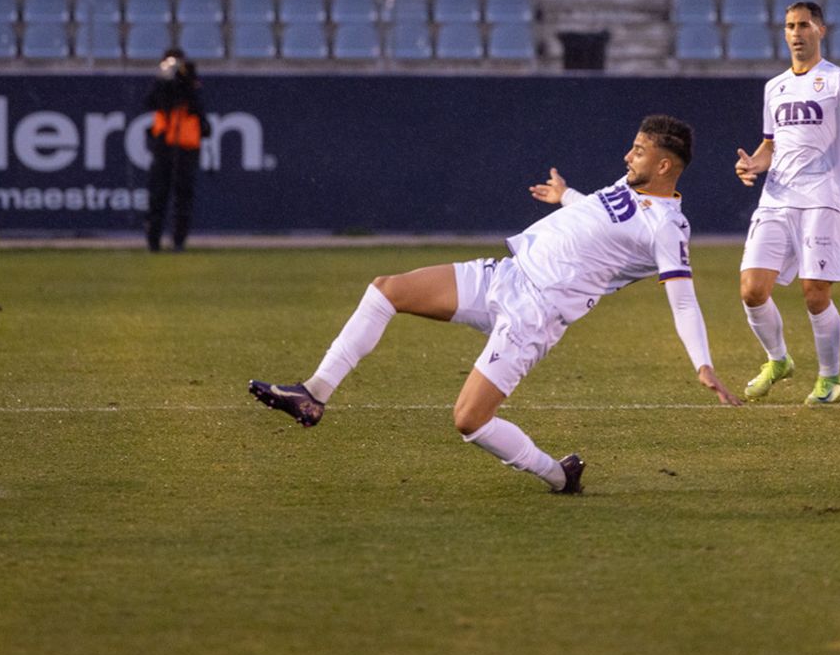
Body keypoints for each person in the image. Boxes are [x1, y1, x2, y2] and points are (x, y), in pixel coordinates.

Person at [249, 116, 743, 493]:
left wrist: (702, 363)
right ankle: (312, 393)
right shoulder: (631, 190)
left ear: (663, 165)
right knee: (388, 288)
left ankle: (558, 475)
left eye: (637, 152)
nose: (626, 157)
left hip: (536, 314)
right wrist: (566, 194)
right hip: (506, 276)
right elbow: (598, 216)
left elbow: (683, 300)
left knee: (468, 420)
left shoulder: (668, 227)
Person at [733, 1, 840, 406]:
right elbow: (770, 144)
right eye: (789, 26)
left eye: (804, 25)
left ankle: (829, 378)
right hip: (776, 199)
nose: (797, 33)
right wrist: (753, 163)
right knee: (751, 290)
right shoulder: (774, 87)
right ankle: (778, 360)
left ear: (820, 30)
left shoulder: (838, 81)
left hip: (822, 198)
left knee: (815, 293)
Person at [144, 49, 210, 253]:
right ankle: (153, 241)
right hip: (164, 146)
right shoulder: (161, 82)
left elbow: (196, 105)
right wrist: (164, 80)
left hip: (186, 147)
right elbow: (152, 102)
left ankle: (178, 241)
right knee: (158, 194)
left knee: (183, 195)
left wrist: (184, 78)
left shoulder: (189, 80)